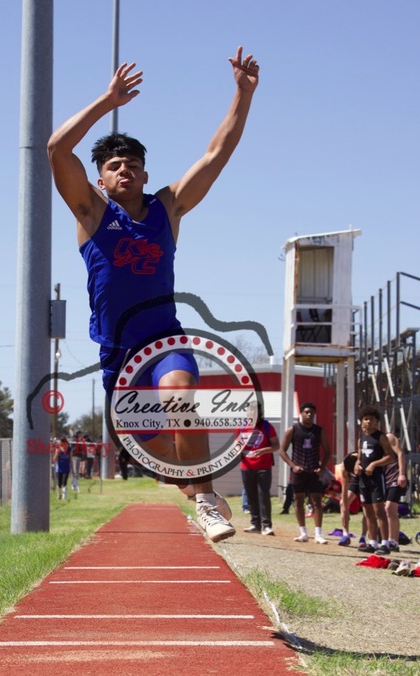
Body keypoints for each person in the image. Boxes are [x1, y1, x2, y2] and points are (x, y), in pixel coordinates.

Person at [47, 47, 260, 542]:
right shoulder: (91, 214)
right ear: (100, 178)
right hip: (116, 356)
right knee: (164, 457)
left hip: (165, 340)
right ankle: (194, 486)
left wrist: (242, 96)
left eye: (133, 165)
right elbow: (58, 149)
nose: (124, 170)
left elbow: (216, 155)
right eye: (115, 165)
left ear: (145, 174)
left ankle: (206, 503)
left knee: (180, 396)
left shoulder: (169, 208)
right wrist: (107, 99)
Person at [279, 402, 331, 544]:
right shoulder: (293, 430)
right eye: (307, 412)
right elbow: (282, 450)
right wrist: (293, 466)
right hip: (299, 472)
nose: (309, 415)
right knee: (298, 501)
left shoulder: (319, 431)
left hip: (314, 471)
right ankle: (303, 532)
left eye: (312, 413)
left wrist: (322, 468)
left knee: (317, 502)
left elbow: (328, 452)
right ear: (301, 413)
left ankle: (318, 534)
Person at [353, 407, 395, 554]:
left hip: (377, 478)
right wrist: (357, 465)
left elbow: (391, 457)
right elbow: (359, 458)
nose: (368, 422)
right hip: (363, 480)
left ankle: (385, 544)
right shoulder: (361, 439)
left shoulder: (381, 437)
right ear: (361, 421)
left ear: (376, 421)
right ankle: (372, 542)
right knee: (368, 511)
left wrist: (374, 464)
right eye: (366, 419)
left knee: (379, 510)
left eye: (371, 419)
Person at [240, 405, 279, 535]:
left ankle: (267, 526)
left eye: (254, 410)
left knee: (263, 495)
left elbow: (276, 445)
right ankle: (255, 524)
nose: (251, 413)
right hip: (246, 466)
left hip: (264, 467)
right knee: (251, 496)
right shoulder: (242, 427)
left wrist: (263, 450)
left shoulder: (267, 426)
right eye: (249, 410)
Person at [376, 431, 407, 555]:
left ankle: (393, 541)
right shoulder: (371, 440)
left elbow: (400, 453)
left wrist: (402, 474)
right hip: (384, 479)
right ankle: (391, 541)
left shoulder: (389, 437)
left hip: (395, 477)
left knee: (389, 508)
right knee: (386, 510)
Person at [335, 450, 364, 547]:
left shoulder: (364, 459)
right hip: (356, 480)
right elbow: (344, 486)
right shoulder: (345, 466)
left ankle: (363, 537)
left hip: (368, 477)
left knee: (367, 507)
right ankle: (345, 534)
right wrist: (345, 508)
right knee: (343, 503)